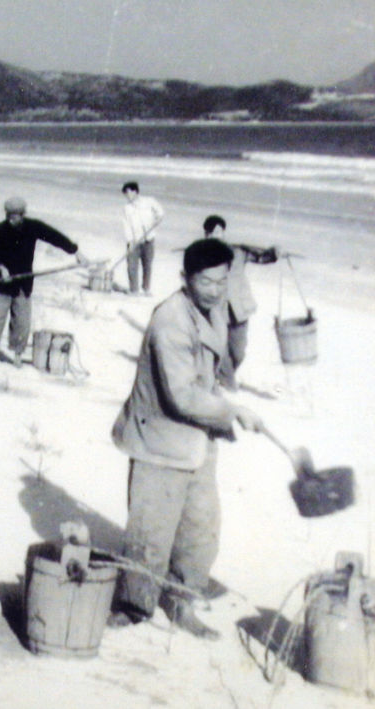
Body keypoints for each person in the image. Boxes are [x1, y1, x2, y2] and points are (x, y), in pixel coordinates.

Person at [108, 238, 265, 639]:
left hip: (197, 439)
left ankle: (180, 601)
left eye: (223, 281)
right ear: (185, 278)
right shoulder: (171, 319)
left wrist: (225, 408)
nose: (216, 290)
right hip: (159, 437)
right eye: (207, 282)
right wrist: (233, 411)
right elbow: (181, 395)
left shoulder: (212, 310)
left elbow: (212, 373)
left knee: (201, 529)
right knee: (151, 532)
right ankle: (134, 606)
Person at [0, 197, 87, 367]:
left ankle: (17, 354)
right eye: (9, 215)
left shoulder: (32, 227)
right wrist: (0, 267)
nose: (12, 219)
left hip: (23, 283)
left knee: (22, 322)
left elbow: (54, 237)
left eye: (15, 216)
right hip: (0, 283)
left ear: (23, 214)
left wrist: (75, 251)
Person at [202, 215, 279, 389]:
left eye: (220, 232)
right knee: (220, 348)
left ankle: (223, 376)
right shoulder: (202, 256)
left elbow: (261, 258)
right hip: (216, 309)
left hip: (239, 308)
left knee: (239, 352)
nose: (216, 236)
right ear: (206, 235)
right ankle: (227, 383)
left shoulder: (237, 252)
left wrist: (274, 254)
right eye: (212, 233)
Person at [121, 181, 164, 295]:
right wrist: (130, 242)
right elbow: (126, 226)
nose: (127, 196)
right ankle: (134, 290)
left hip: (149, 239)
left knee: (147, 265)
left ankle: (146, 289)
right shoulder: (127, 208)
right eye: (126, 194)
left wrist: (157, 219)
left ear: (135, 192)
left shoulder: (149, 201)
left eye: (129, 193)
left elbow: (160, 212)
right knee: (132, 266)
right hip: (134, 241)